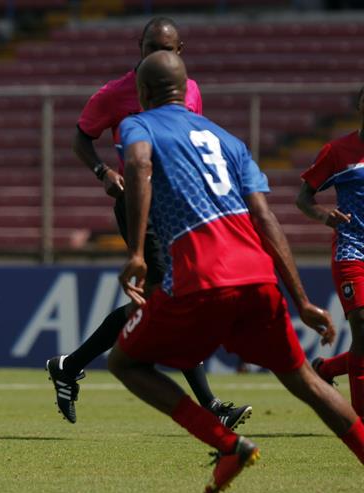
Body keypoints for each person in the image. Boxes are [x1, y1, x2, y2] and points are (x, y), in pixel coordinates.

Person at [103, 50, 364, 493]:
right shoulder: (229, 140)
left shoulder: (138, 125)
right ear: (187, 91)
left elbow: (140, 164)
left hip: (200, 275)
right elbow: (265, 218)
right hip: (259, 278)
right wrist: (300, 299)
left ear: (143, 94)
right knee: (303, 379)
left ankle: (228, 444)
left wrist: (138, 252)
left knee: (125, 362)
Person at [46, 16, 251, 430]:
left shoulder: (189, 90)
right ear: (138, 48)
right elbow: (80, 137)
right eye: (149, 48)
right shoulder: (116, 93)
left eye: (165, 49)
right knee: (172, 294)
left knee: (173, 296)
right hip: (141, 206)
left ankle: (69, 365)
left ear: (180, 51)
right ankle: (210, 407)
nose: (156, 56)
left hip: (180, 206)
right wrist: (104, 173)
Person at [296, 85, 364, 416]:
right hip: (352, 249)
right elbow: (303, 198)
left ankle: (324, 370)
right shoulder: (337, 152)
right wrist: (325, 216)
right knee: (362, 325)